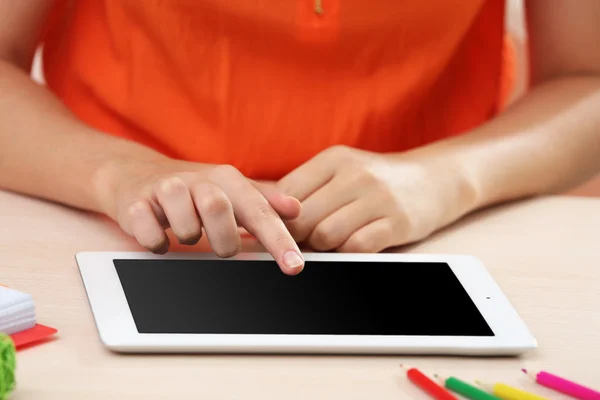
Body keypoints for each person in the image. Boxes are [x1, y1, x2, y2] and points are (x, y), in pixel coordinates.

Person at [1, 1, 599, 275]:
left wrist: (448, 175)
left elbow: (587, 80)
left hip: (426, 249)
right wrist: (122, 172)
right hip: (112, 238)